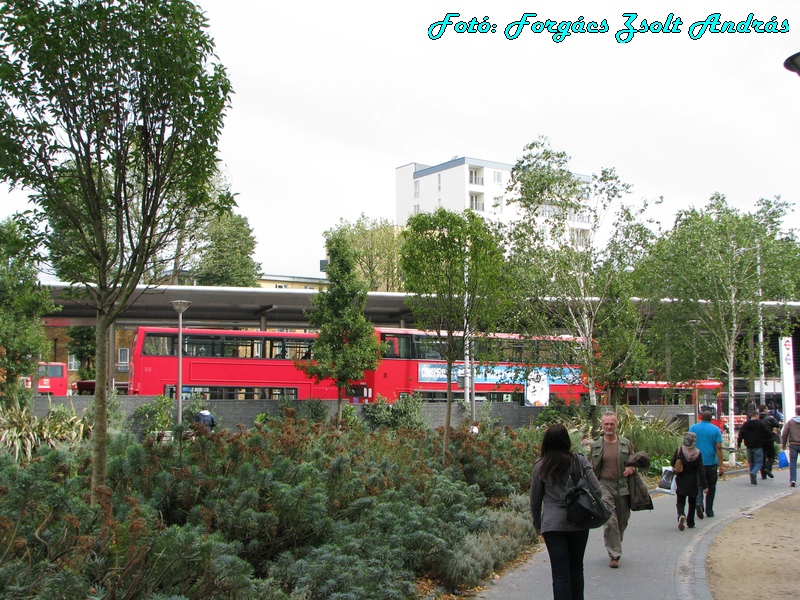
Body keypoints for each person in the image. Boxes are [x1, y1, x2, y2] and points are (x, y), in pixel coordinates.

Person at [530, 423, 603, 599]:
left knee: (560, 572)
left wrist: (537, 524)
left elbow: (535, 499)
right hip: (578, 521)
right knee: (577, 568)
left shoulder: (541, 466)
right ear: (566, 441)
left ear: (546, 442)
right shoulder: (579, 461)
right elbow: (598, 490)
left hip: (553, 525)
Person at [590, 411, 635, 569]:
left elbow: (634, 460)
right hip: (604, 486)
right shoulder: (596, 445)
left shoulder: (625, 444)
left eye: (612, 424)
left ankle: (615, 542)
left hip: (623, 486)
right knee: (610, 520)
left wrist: (631, 467)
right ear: (602, 425)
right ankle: (614, 555)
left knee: (622, 520)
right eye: (606, 424)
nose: (609, 426)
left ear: (617, 425)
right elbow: (590, 468)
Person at [689, 410, 725, 518]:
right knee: (711, 486)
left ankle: (699, 503)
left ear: (701, 417)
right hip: (711, 461)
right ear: (711, 418)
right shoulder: (716, 430)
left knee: (698, 484)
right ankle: (709, 510)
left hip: (697, 461)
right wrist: (721, 464)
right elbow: (718, 447)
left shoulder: (693, 428)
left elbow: (689, 444)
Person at [671, 432, 708, 530]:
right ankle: (690, 522)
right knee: (692, 502)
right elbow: (701, 470)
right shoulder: (698, 453)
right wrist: (705, 486)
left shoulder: (679, 450)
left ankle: (681, 515)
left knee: (680, 501)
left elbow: (672, 462)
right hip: (693, 481)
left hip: (681, 480)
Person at [737, 411, 771, 485]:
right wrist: (773, 434)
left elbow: (741, 434)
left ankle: (753, 478)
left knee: (751, 462)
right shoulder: (759, 424)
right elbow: (766, 432)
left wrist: (739, 443)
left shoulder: (746, 424)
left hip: (749, 446)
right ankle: (753, 473)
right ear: (756, 415)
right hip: (758, 446)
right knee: (759, 462)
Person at [758, 405, 781, 479]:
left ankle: (763, 474)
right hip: (769, 439)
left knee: (763, 456)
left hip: (759, 440)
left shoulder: (757, 419)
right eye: (767, 409)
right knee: (771, 455)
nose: (768, 411)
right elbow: (777, 424)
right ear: (765, 410)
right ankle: (768, 468)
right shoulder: (769, 418)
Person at [780, 405, 800, 488]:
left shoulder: (791, 422)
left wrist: (783, 444)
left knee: (793, 463)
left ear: (795, 412)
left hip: (793, 444)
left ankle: (793, 480)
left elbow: (784, 433)